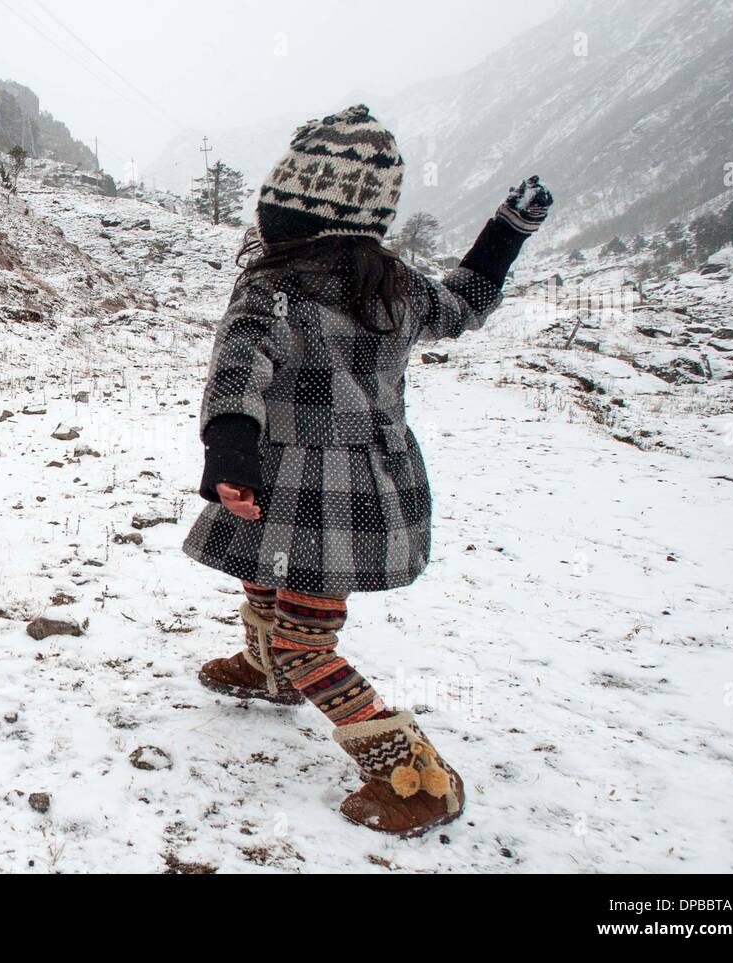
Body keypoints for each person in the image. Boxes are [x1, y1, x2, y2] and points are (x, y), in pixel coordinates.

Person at [182, 105, 553, 838]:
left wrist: (228, 447)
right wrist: (505, 234)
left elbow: (236, 373)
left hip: (306, 490)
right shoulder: (400, 286)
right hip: (358, 490)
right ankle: (266, 670)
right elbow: (467, 302)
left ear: (286, 213)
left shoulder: (273, 287)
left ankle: (412, 774)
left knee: (305, 640)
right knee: (262, 567)